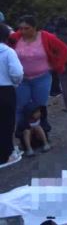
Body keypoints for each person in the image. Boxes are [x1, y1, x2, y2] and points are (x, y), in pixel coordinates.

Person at [10, 15, 67, 135]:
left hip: (42, 77)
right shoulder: (15, 38)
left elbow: (64, 49)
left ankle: (42, 132)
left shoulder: (46, 37)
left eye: (27, 28)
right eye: (21, 28)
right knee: (21, 106)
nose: (23, 31)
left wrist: (57, 65)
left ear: (34, 27)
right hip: (22, 79)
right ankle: (22, 133)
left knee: (40, 105)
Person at [0, 23, 23, 168]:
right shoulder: (8, 52)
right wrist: (15, 83)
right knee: (6, 123)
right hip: (5, 90)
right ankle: (5, 156)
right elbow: (17, 73)